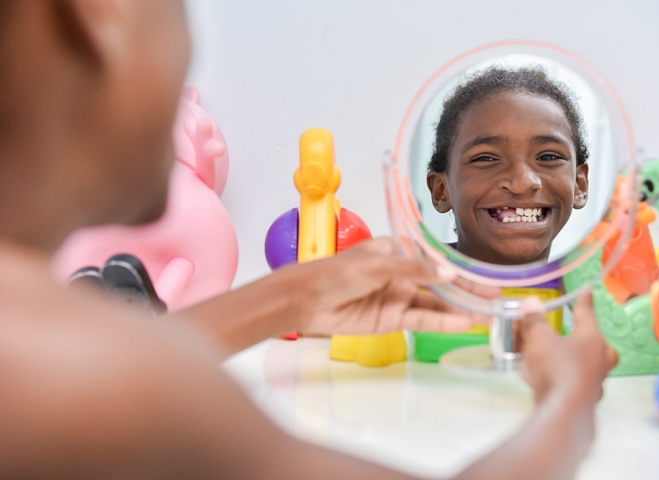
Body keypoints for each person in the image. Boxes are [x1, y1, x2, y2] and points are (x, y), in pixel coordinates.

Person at [0, 1, 616, 479]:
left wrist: (288, 299)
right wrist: (570, 397)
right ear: (96, 11)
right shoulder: (60, 372)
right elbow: (106, 390)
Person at [427, 67, 590, 265]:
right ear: (441, 191)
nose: (523, 183)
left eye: (548, 157)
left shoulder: (602, 292)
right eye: (486, 158)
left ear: (579, 184)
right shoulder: (403, 285)